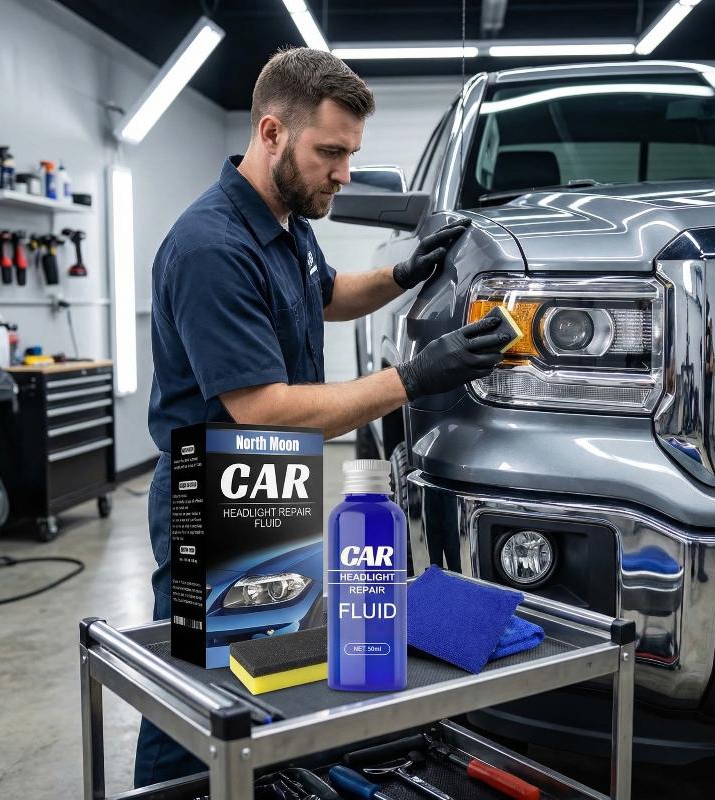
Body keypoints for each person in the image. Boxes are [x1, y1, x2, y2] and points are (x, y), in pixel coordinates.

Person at [135, 46, 510, 788]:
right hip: (213, 497)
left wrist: (401, 274)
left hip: (275, 484)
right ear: (271, 132)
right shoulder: (212, 247)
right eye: (330, 153)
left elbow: (327, 293)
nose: (343, 173)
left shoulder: (284, 219)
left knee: (269, 671)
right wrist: (413, 378)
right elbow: (264, 410)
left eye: (351, 154)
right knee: (199, 696)